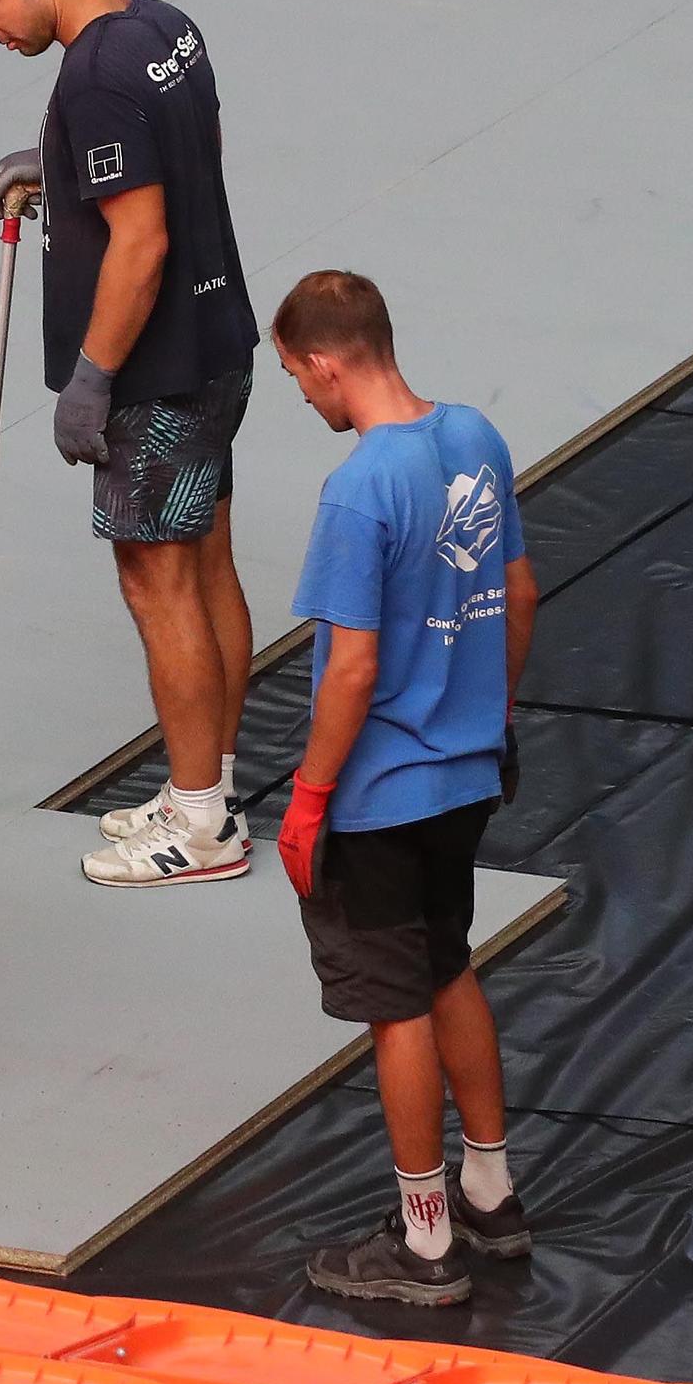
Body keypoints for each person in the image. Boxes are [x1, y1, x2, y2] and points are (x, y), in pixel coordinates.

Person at [0, 0, 261, 887]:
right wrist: (67, 171)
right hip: (217, 346)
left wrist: (90, 379)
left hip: (152, 375)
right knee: (205, 564)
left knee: (154, 584)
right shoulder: (162, 27)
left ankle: (198, 826)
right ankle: (210, 788)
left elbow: (141, 239)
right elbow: (171, 159)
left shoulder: (93, 74)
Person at [269, 270, 537, 1306]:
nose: (303, 395)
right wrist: (490, 713)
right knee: (443, 962)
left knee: (393, 1004)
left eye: (297, 377)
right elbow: (515, 592)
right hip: (467, 769)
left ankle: (423, 1240)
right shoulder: (474, 435)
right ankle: (488, 1188)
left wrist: (306, 795)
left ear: (327, 362)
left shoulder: (356, 489)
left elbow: (349, 668)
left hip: (382, 791)